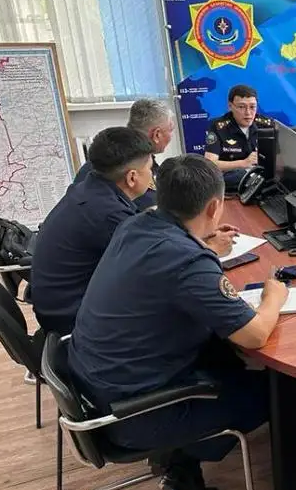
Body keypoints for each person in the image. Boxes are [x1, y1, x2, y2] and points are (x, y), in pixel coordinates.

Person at [68, 154, 289, 490]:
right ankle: (181, 460)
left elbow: (170, 265)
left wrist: (201, 243)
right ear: (214, 207)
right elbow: (255, 334)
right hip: (133, 412)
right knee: (279, 390)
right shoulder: (185, 261)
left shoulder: (137, 224)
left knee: (223, 353)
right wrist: (273, 296)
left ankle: (181, 454)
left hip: (97, 384)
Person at [31, 128, 238, 337]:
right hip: (73, 320)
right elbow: (165, 266)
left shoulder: (90, 188)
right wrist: (211, 249)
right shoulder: (109, 215)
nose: (152, 176)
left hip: (60, 305)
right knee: (196, 318)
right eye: (150, 168)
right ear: (132, 177)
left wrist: (198, 232)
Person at [74, 98, 176, 210]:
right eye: (171, 130)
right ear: (157, 134)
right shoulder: (130, 165)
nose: (171, 135)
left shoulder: (106, 154)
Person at [203, 84, 274, 193]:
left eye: (252, 107)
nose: (248, 113)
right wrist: (243, 163)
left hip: (262, 181)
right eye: (241, 107)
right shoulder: (218, 127)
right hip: (232, 183)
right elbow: (210, 164)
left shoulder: (267, 125)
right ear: (230, 106)